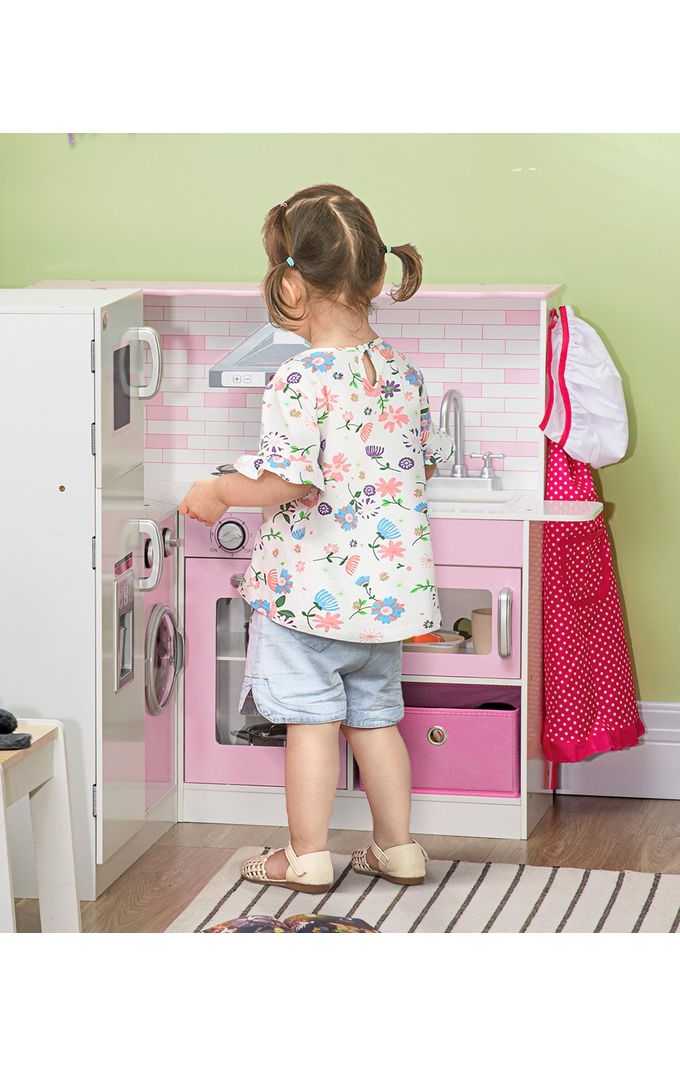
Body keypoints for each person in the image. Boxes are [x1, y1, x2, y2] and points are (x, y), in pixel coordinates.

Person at [179, 183, 454, 893]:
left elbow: (287, 482)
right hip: (384, 597)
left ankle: (306, 856)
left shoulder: (299, 377)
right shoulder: (401, 372)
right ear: (376, 275)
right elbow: (412, 463)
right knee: (375, 722)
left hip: (310, 595)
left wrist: (219, 490)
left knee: (310, 723)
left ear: (291, 285)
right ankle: (398, 848)